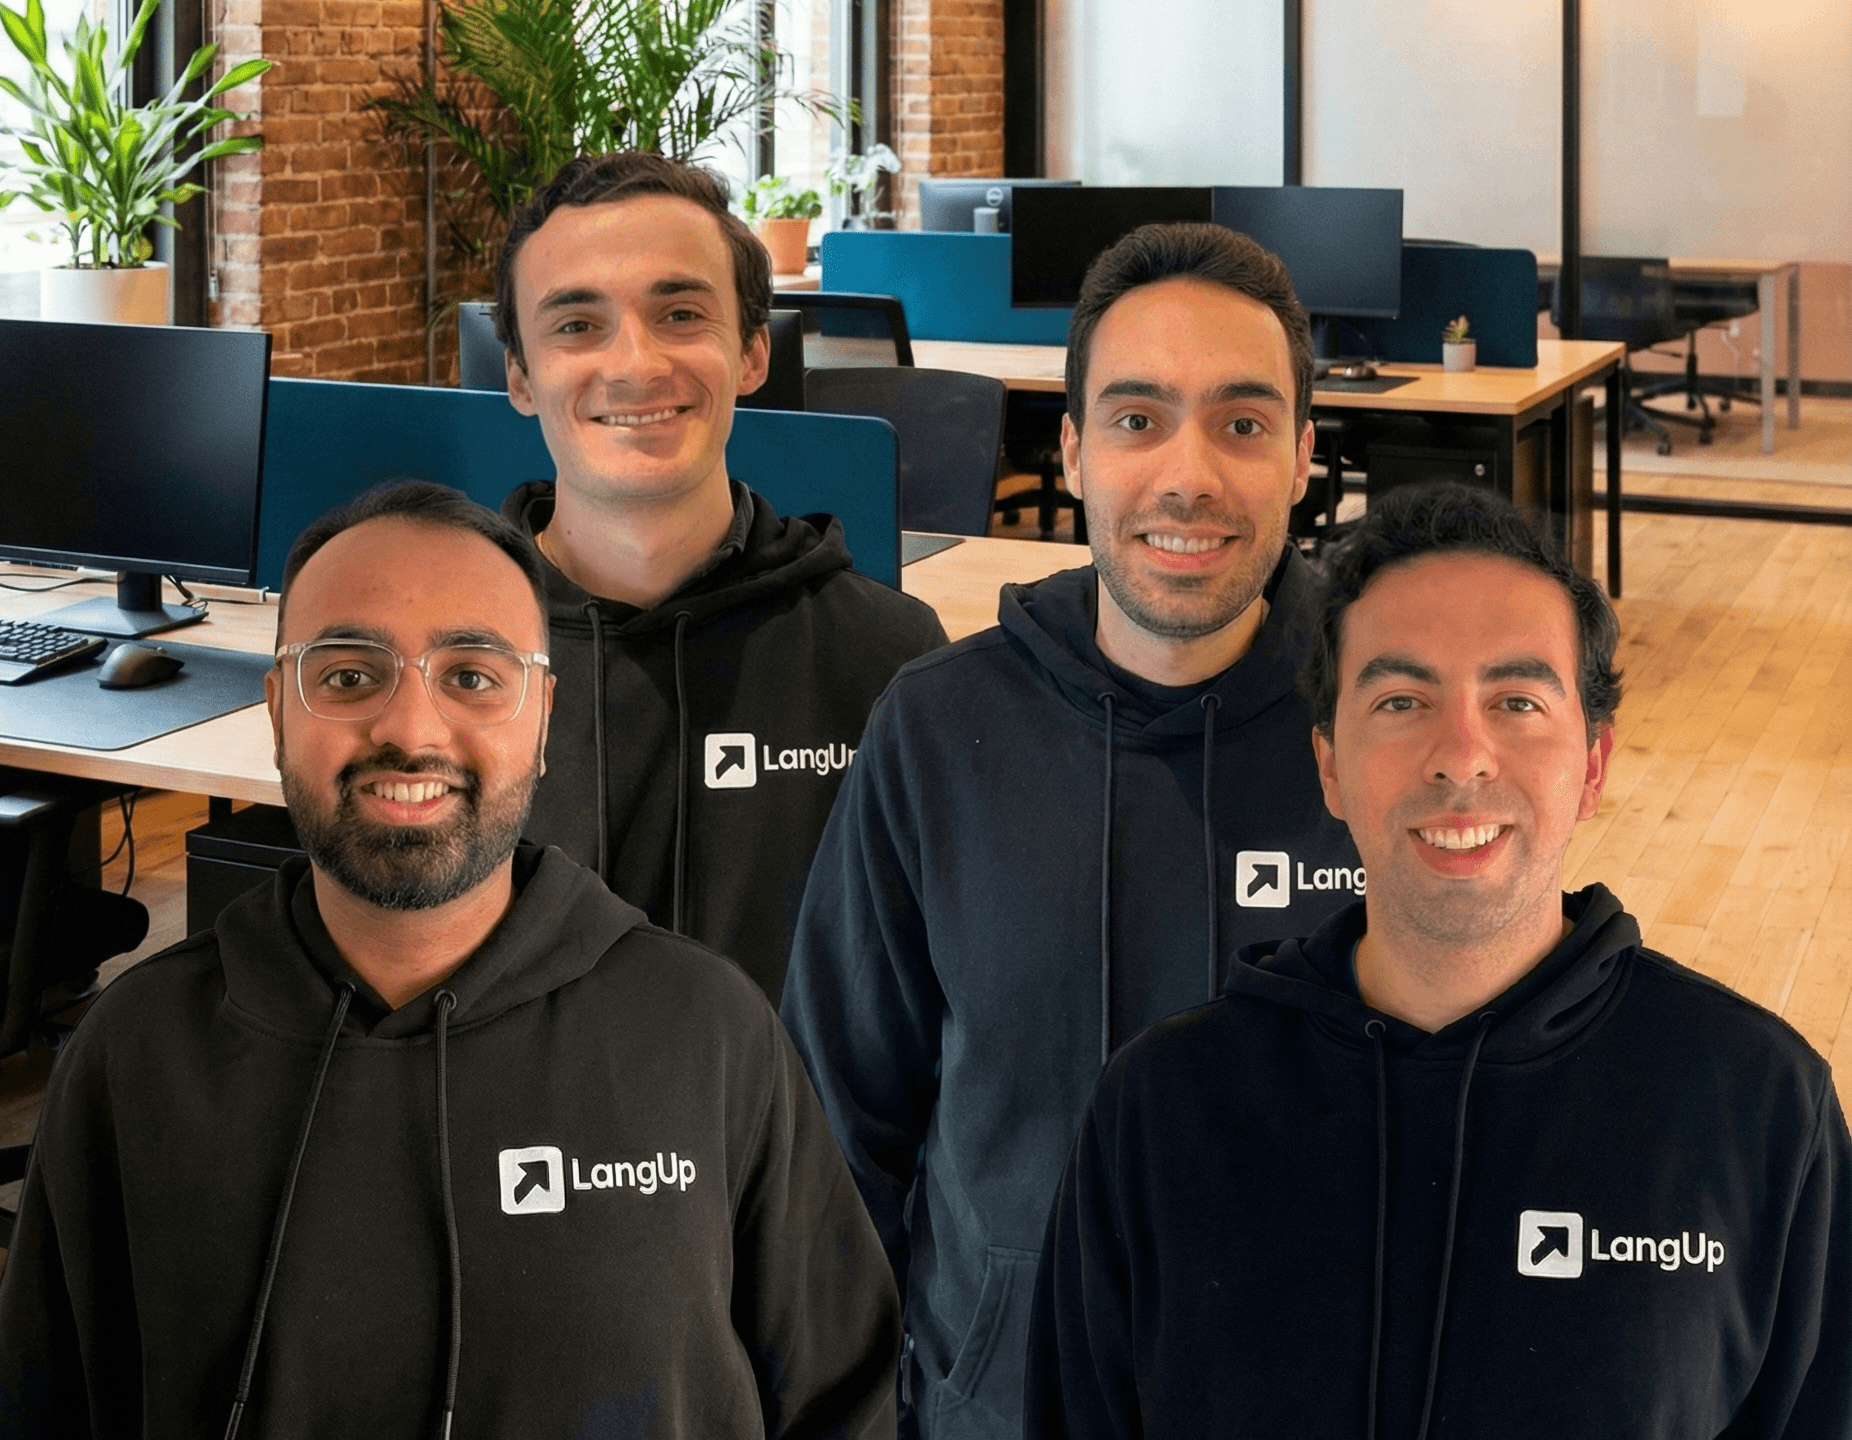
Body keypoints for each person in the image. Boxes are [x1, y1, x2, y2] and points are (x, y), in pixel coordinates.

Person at [0, 483, 901, 1438]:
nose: (412, 731)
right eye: (348, 675)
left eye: (472, 675)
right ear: (276, 710)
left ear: (543, 717)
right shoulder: (134, 1054)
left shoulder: (709, 1035)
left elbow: (847, 1405)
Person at [1027, 483, 1852, 1439]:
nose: (1462, 756)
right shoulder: (1161, 1110)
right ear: (1330, 765)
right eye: (1403, 699)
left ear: (1592, 764)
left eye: (1516, 700)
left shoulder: (1757, 1108)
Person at [780, 223, 1364, 1439]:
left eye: (1242, 424)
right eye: (1137, 418)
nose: (1186, 475)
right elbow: (839, 1126)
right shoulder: (937, 729)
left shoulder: (1391, 734)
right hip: (995, 1406)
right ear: (1072, 448)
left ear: (1306, 457)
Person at [494, 151, 946, 1001]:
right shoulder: (443, 659)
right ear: (519, 375)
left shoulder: (884, 657)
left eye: (679, 313)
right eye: (577, 325)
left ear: (751, 353)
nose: (634, 364)